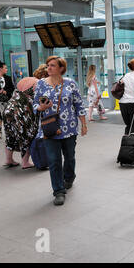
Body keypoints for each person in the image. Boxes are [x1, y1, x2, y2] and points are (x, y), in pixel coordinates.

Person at [33, 56, 87, 206]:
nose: (48, 68)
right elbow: (34, 105)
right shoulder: (41, 85)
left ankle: (69, 177)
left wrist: (83, 124)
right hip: (49, 129)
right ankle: (58, 191)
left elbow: (78, 105)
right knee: (54, 161)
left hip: (69, 128)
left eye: (52, 65)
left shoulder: (70, 84)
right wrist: (40, 107)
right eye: (47, 65)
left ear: (61, 68)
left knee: (70, 157)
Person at [3, 77, 40, 169]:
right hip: (21, 112)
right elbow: (37, 99)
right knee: (27, 135)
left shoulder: (24, 80)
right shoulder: (37, 83)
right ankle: (25, 162)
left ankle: (9, 159)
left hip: (9, 109)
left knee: (10, 135)